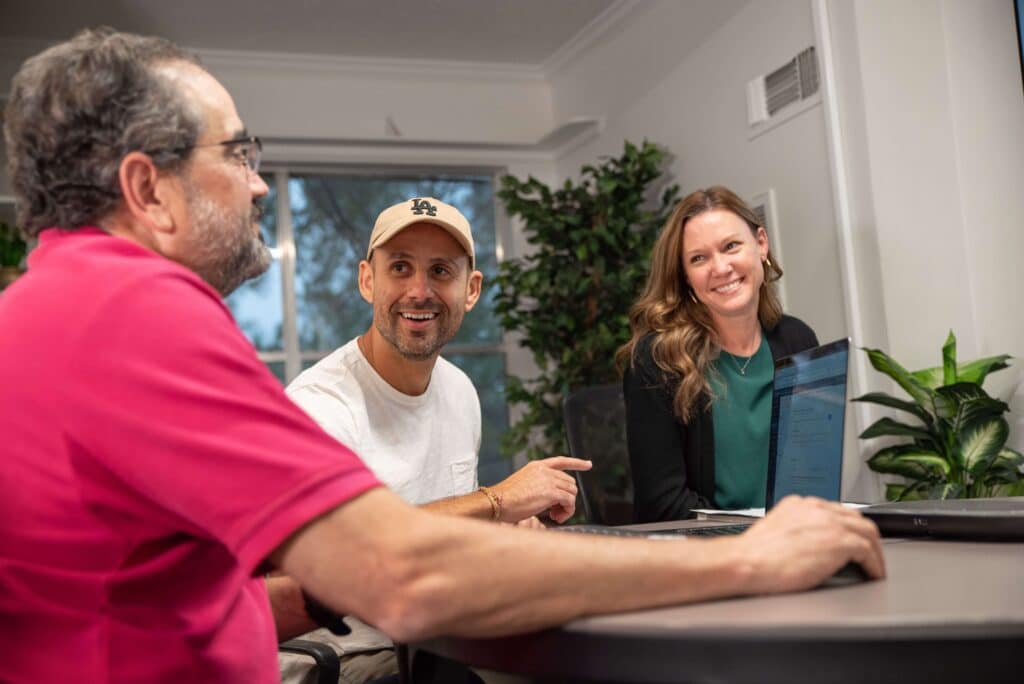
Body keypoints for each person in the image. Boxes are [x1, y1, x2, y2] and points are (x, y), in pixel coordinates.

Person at [0, 28, 884, 683]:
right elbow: (405, 573)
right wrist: (748, 559)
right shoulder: (131, 313)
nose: (260, 182)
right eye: (239, 153)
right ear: (147, 189)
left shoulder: (67, 304)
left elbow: (167, 597)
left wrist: (319, 590)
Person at [279, 197, 591, 683]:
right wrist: (495, 501)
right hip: (348, 656)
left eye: (441, 271)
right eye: (399, 268)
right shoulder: (320, 406)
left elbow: (446, 536)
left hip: (438, 632)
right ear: (367, 280)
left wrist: (501, 529)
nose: (419, 291)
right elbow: (327, 563)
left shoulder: (460, 390)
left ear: (471, 289)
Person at [617, 186, 820, 523]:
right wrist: (756, 534)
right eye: (699, 258)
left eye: (730, 246)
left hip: (791, 540)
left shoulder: (798, 339)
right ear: (686, 278)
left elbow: (811, 470)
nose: (721, 267)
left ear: (761, 244)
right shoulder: (657, 361)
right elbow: (662, 504)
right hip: (703, 555)